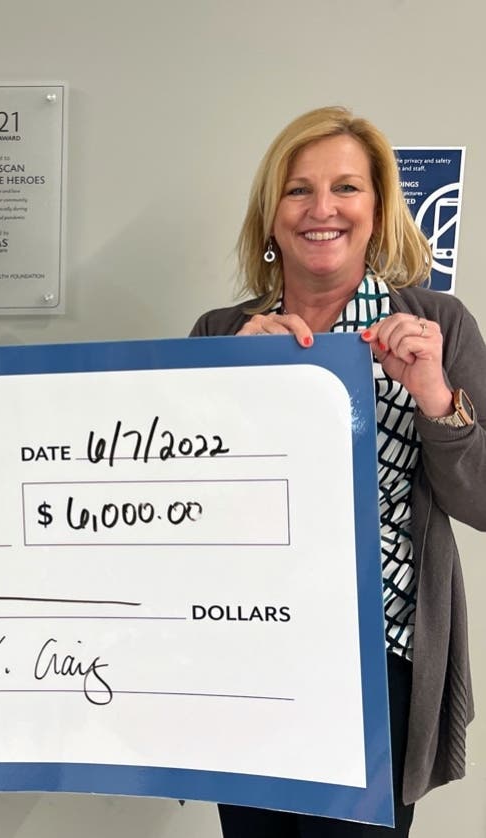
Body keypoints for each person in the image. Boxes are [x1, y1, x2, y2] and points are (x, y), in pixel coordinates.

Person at [191, 106, 483, 836]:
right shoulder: (218, 334)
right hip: (249, 654)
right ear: (269, 216)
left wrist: (434, 397)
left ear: (376, 209)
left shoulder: (438, 325)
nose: (322, 209)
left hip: (375, 661)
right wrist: (233, 386)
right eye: (297, 190)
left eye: (345, 188)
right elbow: (184, 511)